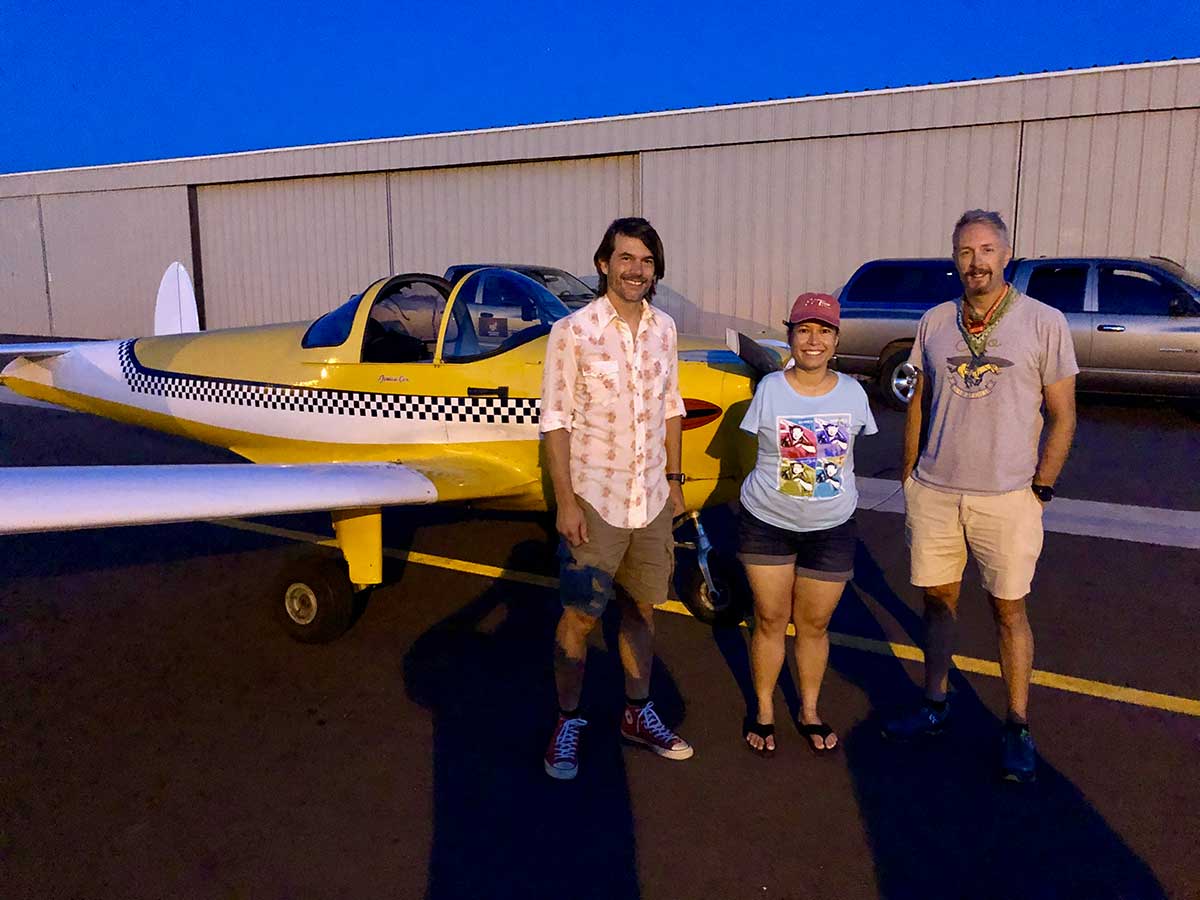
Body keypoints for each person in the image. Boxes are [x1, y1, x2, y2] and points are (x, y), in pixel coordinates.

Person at [882, 209, 1078, 783]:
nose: (977, 262)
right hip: (936, 492)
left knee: (1008, 610)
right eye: (966, 252)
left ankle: (1016, 725)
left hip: (1009, 497)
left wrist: (1042, 486)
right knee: (938, 604)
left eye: (987, 250)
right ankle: (934, 703)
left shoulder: (1044, 322)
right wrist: (909, 473)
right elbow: (917, 398)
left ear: (1006, 255)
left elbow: (1063, 415)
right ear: (954, 259)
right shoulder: (935, 322)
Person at [538, 217, 692, 780]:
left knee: (643, 608)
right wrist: (566, 502)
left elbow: (672, 407)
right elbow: (554, 421)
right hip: (596, 498)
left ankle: (636, 712)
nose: (636, 270)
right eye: (626, 258)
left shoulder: (666, 329)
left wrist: (675, 483)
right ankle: (568, 719)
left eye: (647, 261)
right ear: (604, 263)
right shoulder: (572, 332)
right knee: (580, 614)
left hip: (650, 496)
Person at [738, 292, 877, 756]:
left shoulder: (854, 394)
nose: (813, 340)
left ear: (836, 339)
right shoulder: (770, 389)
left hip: (832, 527)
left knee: (814, 625)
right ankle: (763, 708)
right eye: (803, 330)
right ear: (790, 335)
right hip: (767, 522)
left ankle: (810, 709)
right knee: (770, 618)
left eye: (823, 331)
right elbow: (752, 454)